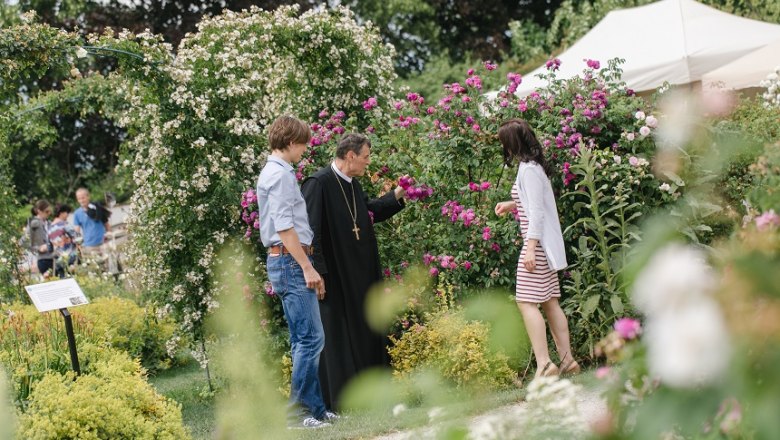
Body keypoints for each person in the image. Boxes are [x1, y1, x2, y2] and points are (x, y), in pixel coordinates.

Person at [301, 133, 406, 410]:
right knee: (338, 335)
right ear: (350, 156)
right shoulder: (318, 183)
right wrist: (318, 272)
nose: (368, 162)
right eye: (366, 157)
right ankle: (342, 401)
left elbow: (369, 212)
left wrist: (398, 193)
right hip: (335, 274)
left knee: (365, 329)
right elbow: (310, 232)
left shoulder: (353, 184)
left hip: (360, 272)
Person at [256, 115, 333, 429]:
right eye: (303, 144)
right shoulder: (280, 175)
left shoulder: (278, 172)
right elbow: (285, 227)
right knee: (310, 339)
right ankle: (296, 415)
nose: (304, 150)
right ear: (290, 142)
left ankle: (315, 408)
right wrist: (307, 267)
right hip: (290, 260)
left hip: (288, 260)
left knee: (305, 338)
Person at [493, 119, 580, 378]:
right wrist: (512, 204)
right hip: (543, 245)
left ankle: (544, 364)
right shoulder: (532, 166)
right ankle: (567, 361)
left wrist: (530, 248)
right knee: (550, 302)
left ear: (512, 143)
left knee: (526, 302)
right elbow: (533, 201)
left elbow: (538, 213)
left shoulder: (528, 170)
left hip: (537, 245)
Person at [73, 188, 111, 257]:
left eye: (83, 198)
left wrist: (109, 237)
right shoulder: (77, 213)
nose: (81, 200)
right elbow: (77, 232)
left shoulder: (98, 208)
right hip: (89, 246)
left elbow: (107, 224)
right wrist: (78, 246)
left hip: (103, 243)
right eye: (79, 199)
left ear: (88, 197)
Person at [26, 200, 55, 277]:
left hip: (54, 258)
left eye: (50, 211)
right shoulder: (33, 224)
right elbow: (26, 242)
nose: (49, 213)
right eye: (47, 211)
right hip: (43, 259)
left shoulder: (49, 223)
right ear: (39, 211)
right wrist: (39, 248)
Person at [49, 203, 79, 276]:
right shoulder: (65, 224)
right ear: (61, 213)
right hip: (70, 257)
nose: (68, 215)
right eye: (67, 212)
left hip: (58, 258)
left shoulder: (49, 228)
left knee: (63, 279)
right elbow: (77, 238)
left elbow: (49, 246)